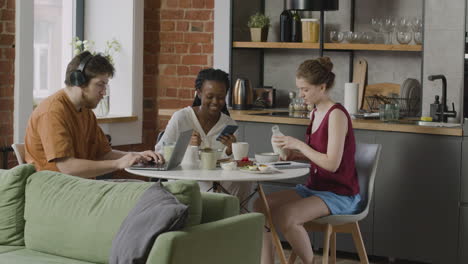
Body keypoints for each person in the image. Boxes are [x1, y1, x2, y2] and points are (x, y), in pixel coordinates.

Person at [253, 57, 362, 264]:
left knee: (286, 216)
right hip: (315, 187)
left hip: (339, 193)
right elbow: (317, 154)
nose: (300, 95)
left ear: (322, 87)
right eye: (299, 89)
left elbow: (332, 164)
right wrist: (294, 154)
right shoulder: (315, 112)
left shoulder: (337, 114)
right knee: (260, 206)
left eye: (305, 90)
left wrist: (300, 145)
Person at [25, 51, 163, 178]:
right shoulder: (52, 112)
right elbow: (67, 167)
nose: (104, 92)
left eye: (105, 85)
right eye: (100, 85)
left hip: (79, 188)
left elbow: (103, 154)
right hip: (54, 193)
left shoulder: (86, 112)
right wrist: (119, 164)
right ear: (78, 80)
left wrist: (137, 156)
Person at [155, 68, 252, 202]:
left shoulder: (228, 123)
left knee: (245, 182)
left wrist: (230, 150)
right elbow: (159, 153)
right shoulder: (181, 118)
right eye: (210, 96)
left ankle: (231, 217)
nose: (215, 102)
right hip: (186, 180)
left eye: (220, 97)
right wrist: (187, 146)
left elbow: (235, 163)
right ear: (199, 93)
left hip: (219, 182)